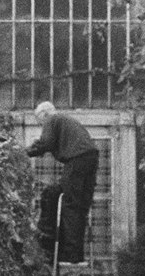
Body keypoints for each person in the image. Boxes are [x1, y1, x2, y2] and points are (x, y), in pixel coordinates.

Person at [25, 101, 99, 264]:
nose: (42, 126)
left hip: (77, 159)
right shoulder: (68, 121)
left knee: (70, 205)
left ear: (43, 115)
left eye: (40, 123)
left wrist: (25, 153)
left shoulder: (52, 119)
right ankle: (77, 254)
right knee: (80, 207)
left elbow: (46, 143)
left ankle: (68, 254)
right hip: (91, 158)